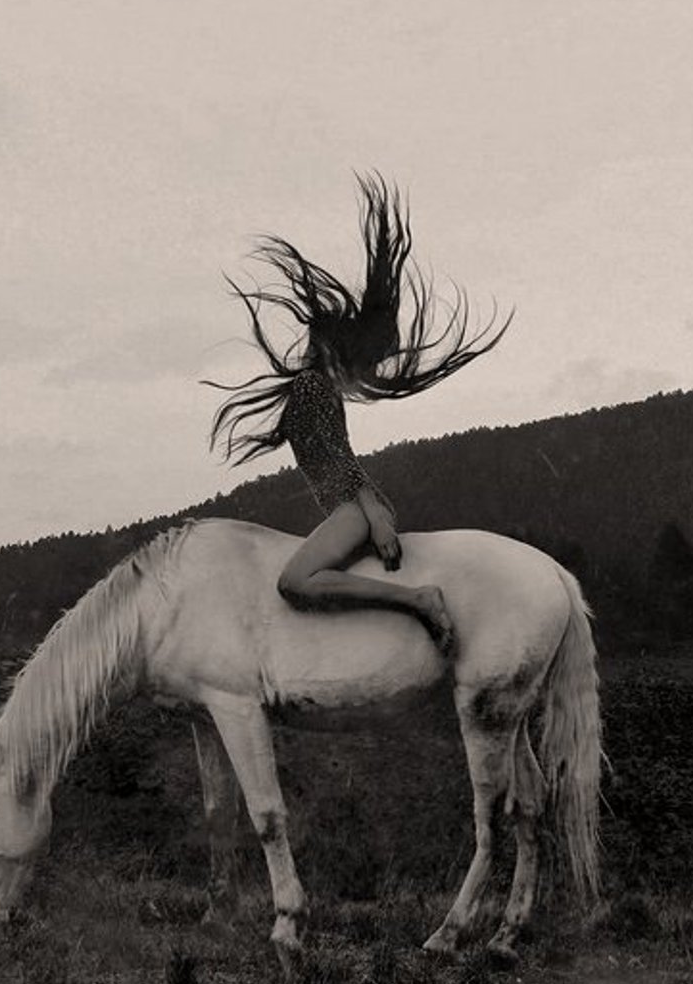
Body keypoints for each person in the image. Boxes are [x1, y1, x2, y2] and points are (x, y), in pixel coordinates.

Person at [207, 174, 510, 654]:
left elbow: (341, 458)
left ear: (327, 347)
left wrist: (375, 517)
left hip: (354, 506)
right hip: (353, 505)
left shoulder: (311, 386)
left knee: (296, 582)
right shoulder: (312, 388)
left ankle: (419, 600)